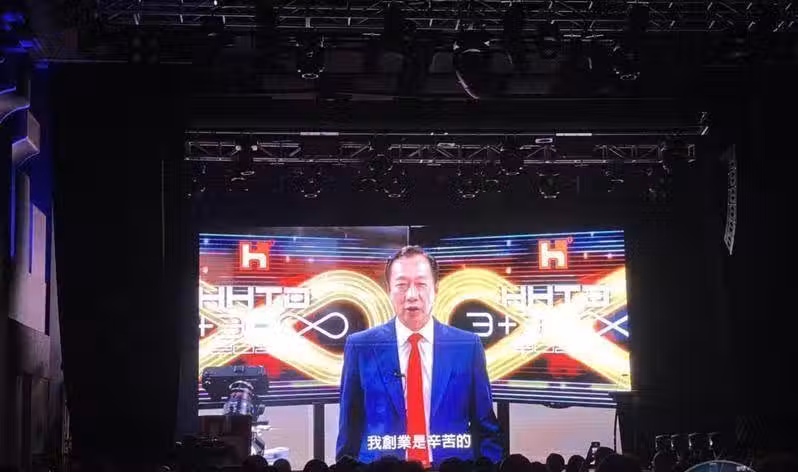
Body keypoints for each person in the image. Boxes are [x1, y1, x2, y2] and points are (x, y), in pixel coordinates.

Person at [336, 246, 504, 467]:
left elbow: (486, 426)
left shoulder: (467, 346)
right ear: (389, 290)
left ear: (436, 289)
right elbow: (349, 427)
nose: (412, 295)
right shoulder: (361, 346)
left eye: (421, 284)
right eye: (402, 285)